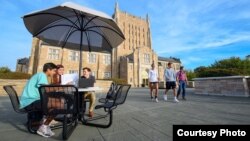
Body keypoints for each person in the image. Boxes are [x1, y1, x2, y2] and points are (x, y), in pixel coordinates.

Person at [20, 62, 62, 137]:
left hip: (28, 101)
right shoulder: (42, 75)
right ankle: (44, 126)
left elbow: (44, 90)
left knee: (54, 102)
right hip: (30, 102)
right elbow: (45, 89)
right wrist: (60, 88)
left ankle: (43, 122)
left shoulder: (39, 75)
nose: (54, 72)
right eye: (54, 71)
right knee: (59, 104)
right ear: (48, 70)